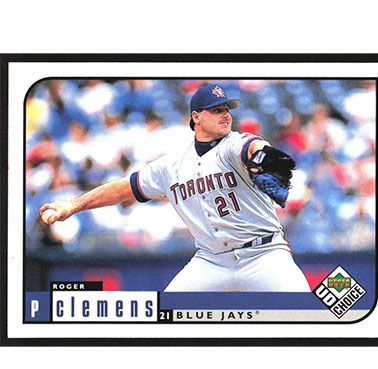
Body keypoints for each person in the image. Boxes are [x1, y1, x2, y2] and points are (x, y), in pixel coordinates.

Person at [39, 83, 310, 292]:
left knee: (307, 318)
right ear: (196, 117)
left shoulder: (233, 145)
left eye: (227, 109)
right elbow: (123, 188)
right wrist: (72, 204)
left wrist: (265, 157)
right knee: (166, 316)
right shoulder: (172, 165)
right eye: (216, 110)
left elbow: (253, 147)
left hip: (264, 255)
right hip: (212, 261)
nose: (225, 115)